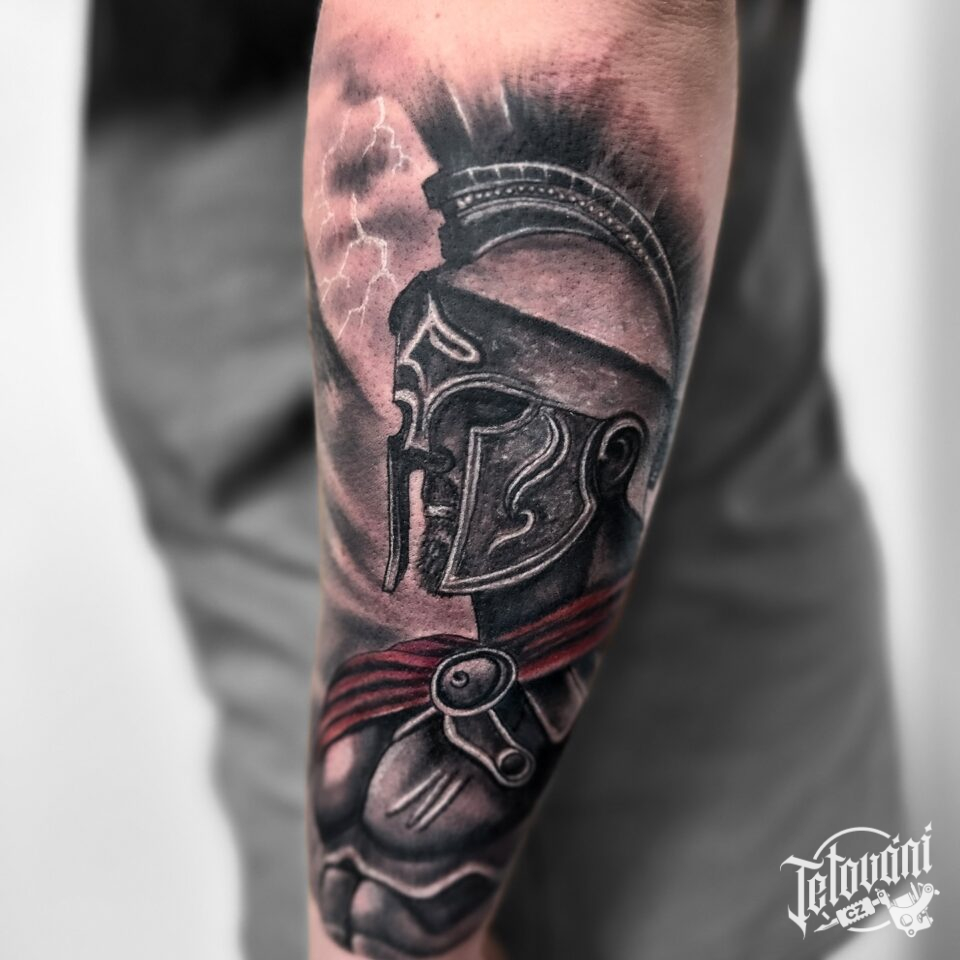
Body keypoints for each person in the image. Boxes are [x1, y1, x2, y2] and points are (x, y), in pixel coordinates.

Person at [81, 2, 900, 958]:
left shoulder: (447, 766)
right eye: (416, 407)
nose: (422, 453)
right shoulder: (389, 722)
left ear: (609, 456)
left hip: (612, 845)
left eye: (476, 410)